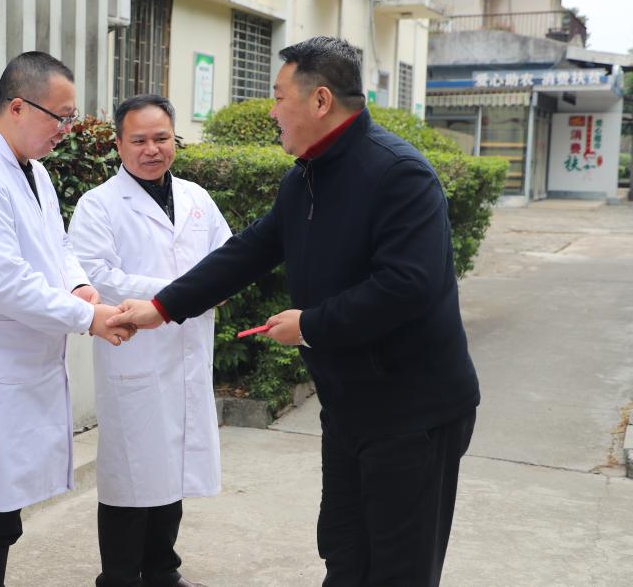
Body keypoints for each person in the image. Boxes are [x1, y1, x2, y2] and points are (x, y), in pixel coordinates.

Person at [107, 37, 480, 587]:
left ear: (320, 100)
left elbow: (407, 286)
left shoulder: (398, 173)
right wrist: (162, 307)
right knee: (345, 553)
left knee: (399, 568)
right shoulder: (306, 175)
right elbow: (250, 250)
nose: (271, 111)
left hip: (412, 412)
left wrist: (309, 325)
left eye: (279, 96)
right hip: (349, 404)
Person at [0, 51, 135, 586]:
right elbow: (3, 282)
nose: (66, 131)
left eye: (71, 118)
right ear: (18, 107)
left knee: (2, 515)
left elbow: (57, 246)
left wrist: (79, 286)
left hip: (24, 367)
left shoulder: (35, 172)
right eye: (60, 117)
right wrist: (87, 317)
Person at [68, 94, 231, 587]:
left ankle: (162, 571)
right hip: (134, 355)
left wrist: (200, 291)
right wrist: (184, 293)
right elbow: (97, 276)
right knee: (130, 476)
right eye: (138, 140)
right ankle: (119, 577)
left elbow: (226, 262)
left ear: (174, 140)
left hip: (187, 353)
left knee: (172, 469)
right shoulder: (99, 205)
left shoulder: (197, 199)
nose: (151, 149)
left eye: (161, 138)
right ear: (119, 144)